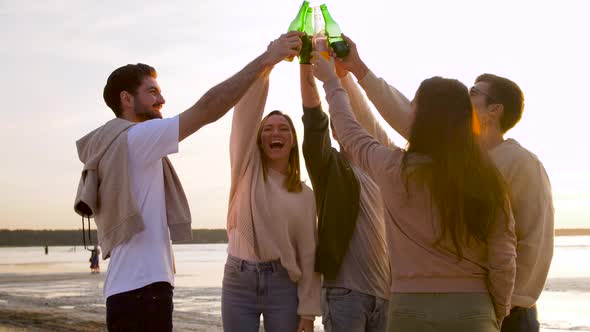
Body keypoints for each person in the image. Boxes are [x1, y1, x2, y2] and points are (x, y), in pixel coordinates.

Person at [74, 31, 304, 332]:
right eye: (152, 92)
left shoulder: (116, 144)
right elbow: (209, 107)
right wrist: (267, 58)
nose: (162, 99)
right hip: (143, 293)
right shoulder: (135, 138)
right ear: (126, 99)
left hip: (127, 291)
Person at [334, 34, 554, 332]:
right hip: (474, 305)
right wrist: (356, 70)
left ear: (495, 110)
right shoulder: (449, 158)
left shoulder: (522, 163)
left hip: (508, 308)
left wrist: (506, 304)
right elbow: (406, 111)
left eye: (474, 92)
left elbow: (533, 240)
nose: (466, 96)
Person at [221, 40, 321, 332]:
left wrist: (308, 312)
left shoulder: (304, 195)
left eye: (283, 129)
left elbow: (308, 254)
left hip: (282, 286)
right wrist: (270, 60)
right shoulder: (246, 170)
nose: (275, 133)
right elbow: (245, 111)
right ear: (258, 139)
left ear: (292, 142)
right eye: (267, 128)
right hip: (238, 281)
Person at [299, 62, 390, 332]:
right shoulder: (330, 167)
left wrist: (343, 71)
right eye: (345, 123)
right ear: (336, 131)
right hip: (345, 293)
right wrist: (306, 64)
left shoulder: (384, 167)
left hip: (386, 296)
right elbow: (314, 122)